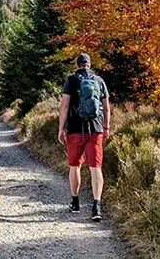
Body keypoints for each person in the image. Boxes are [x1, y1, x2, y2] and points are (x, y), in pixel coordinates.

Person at [58, 52, 110, 221]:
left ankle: (75, 202)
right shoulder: (99, 81)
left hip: (75, 130)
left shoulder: (71, 80)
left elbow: (64, 107)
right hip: (95, 130)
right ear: (89, 64)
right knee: (96, 168)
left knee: (75, 166)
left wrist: (61, 129)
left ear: (77, 64)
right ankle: (96, 207)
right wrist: (106, 127)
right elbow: (107, 108)